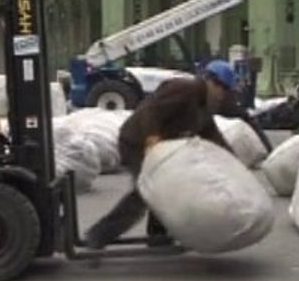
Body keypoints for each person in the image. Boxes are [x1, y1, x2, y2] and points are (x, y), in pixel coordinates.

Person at [83, 76, 233, 250]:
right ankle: (98, 235)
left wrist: (235, 162)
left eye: (226, 90)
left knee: (166, 188)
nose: (222, 95)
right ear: (211, 83)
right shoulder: (185, 89)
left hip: (160, 148)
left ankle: (158, 236)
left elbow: (213, 136)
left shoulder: (203, 107)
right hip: (137, 142)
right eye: (221, 88)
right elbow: (151, 111)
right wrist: (152, 137)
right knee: (145, 193)